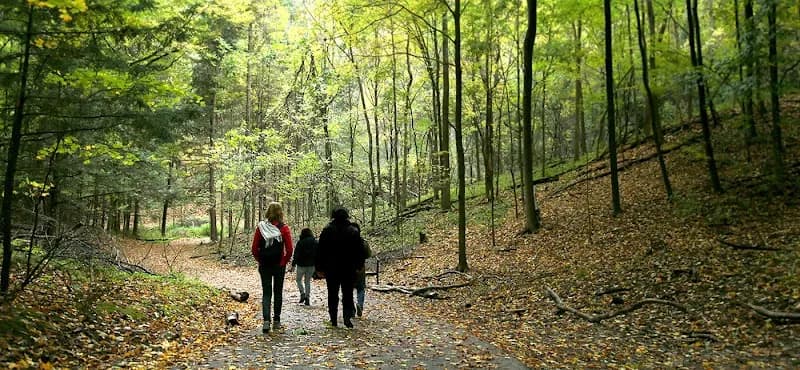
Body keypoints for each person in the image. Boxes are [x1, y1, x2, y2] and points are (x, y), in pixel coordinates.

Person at [316, 207, 366, 328]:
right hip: (349, 268)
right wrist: (359, 266)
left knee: (332, 293)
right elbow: (360, 251)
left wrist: (319, 268)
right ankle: (347, 318)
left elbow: (320, 251)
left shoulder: (327, 230)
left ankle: (333, 318)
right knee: (347, 293)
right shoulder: (353, 231)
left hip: (331, 268)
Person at [251, 202, 293, 333]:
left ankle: (266, 321)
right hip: (278, 265)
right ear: (281, 212)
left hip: (265, 265)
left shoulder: (261, 227)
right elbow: (290, 249)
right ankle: (277, 321)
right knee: (278, 292)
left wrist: (260, 260)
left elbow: (254, 249)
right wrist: (283, 261)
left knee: (266, 293)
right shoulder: (284, 228)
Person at [290, 228, 317, 306]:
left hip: (301, 265)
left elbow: (296, 254)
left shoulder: (300, 242)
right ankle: (307, 298)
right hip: (311, 265)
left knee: (298, 280)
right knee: (307, 281)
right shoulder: (315, 242)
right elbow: (318, 254)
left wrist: (293, 265)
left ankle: (302, 293)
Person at [352, 223, 372, 317]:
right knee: (360, 288)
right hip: (360, 269)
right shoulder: (363, 242)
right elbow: (368, 254)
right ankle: (360, 305)